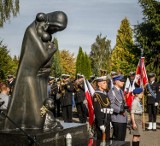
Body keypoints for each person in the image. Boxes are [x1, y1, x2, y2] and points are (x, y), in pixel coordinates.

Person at [92, 76, 113, 145]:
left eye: (106, 83)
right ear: (99, 84)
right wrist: (100, 124)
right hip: (102, 121)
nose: (106, 84)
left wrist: (109, 120)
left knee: (106, 141)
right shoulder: (96, 95)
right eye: (104, 83)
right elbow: (97, 110)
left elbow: (108, 107)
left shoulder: (105, 94)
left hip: (107, 120)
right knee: (101, 141)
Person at [108, 75, 128, 141]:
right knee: (118, 139)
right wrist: (120, 111)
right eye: (121, 81)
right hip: (117, 118)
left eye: (123, 81)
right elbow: (111, 105)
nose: (123, 82)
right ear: (116, 81)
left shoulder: (121, 91)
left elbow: (123, 103)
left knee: (122, 139)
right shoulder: (112, 91)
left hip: (123, 118)